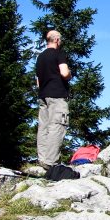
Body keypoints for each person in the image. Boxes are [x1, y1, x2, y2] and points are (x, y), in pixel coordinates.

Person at [36, 30, 72, 170]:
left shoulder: (40, 57)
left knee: (43, 127)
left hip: (43, 95)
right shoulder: (59, 54)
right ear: (56, 40)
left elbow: (38, 82)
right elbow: (64, 72)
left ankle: (42, 159)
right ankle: (51, 162)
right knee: (57, 126)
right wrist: (69, 74)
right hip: (57, 95)